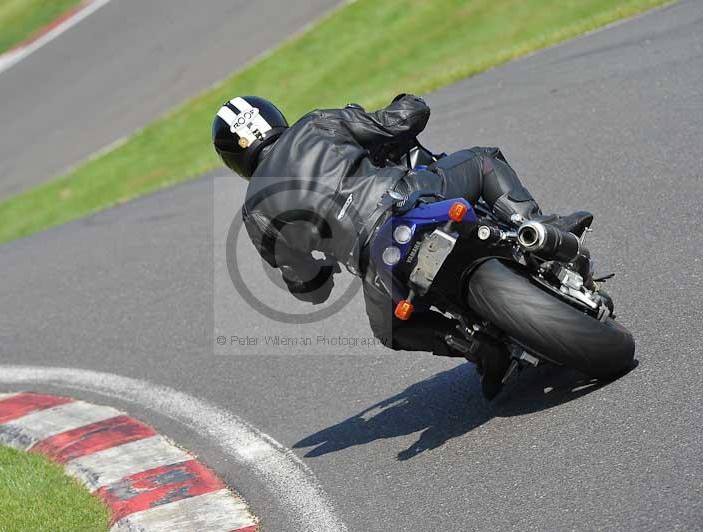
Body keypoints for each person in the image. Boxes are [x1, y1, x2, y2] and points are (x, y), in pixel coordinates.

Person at [212, 95, 592, 398]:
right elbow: (400, 120)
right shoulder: (315, 124)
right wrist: (407, 102)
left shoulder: (255, 210)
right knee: (482, 160)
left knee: (390, 331)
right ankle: (537, 229)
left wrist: (319, 271)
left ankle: (477, 348)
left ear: (233, 159)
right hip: (408, 200)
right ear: (274, 117)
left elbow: (311, 289)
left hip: (375, 261)